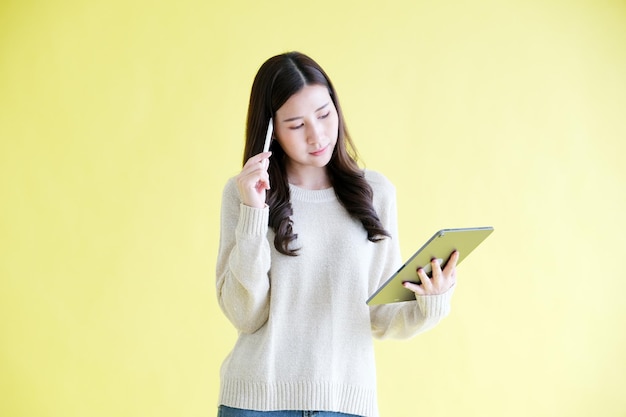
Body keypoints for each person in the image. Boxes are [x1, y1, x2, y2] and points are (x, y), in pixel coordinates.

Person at [215, 51, 459, 417]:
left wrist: (431, 300)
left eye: (325, 114)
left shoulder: (375, 193)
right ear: (272, 131)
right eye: (296, 125)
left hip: (345, 405)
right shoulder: (245, 195)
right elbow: (245, 314)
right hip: (257, 403)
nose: (317, 135)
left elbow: (381, 316)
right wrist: (254, 212)